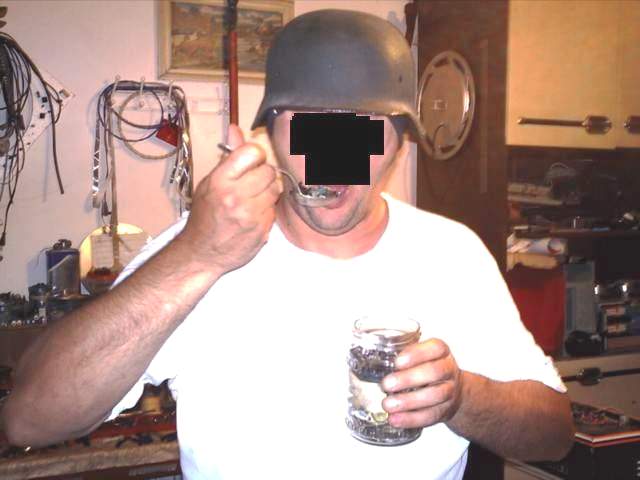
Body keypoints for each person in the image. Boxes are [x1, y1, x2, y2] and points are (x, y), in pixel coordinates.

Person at [1, 9, 574, 480]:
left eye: (360, 126)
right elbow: (29, 419)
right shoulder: (201, 249)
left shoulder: (453, 252)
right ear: (271, 134)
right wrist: (198, 255)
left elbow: (553, 434)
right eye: (311, 126)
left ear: (400, 141)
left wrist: (462, 397)